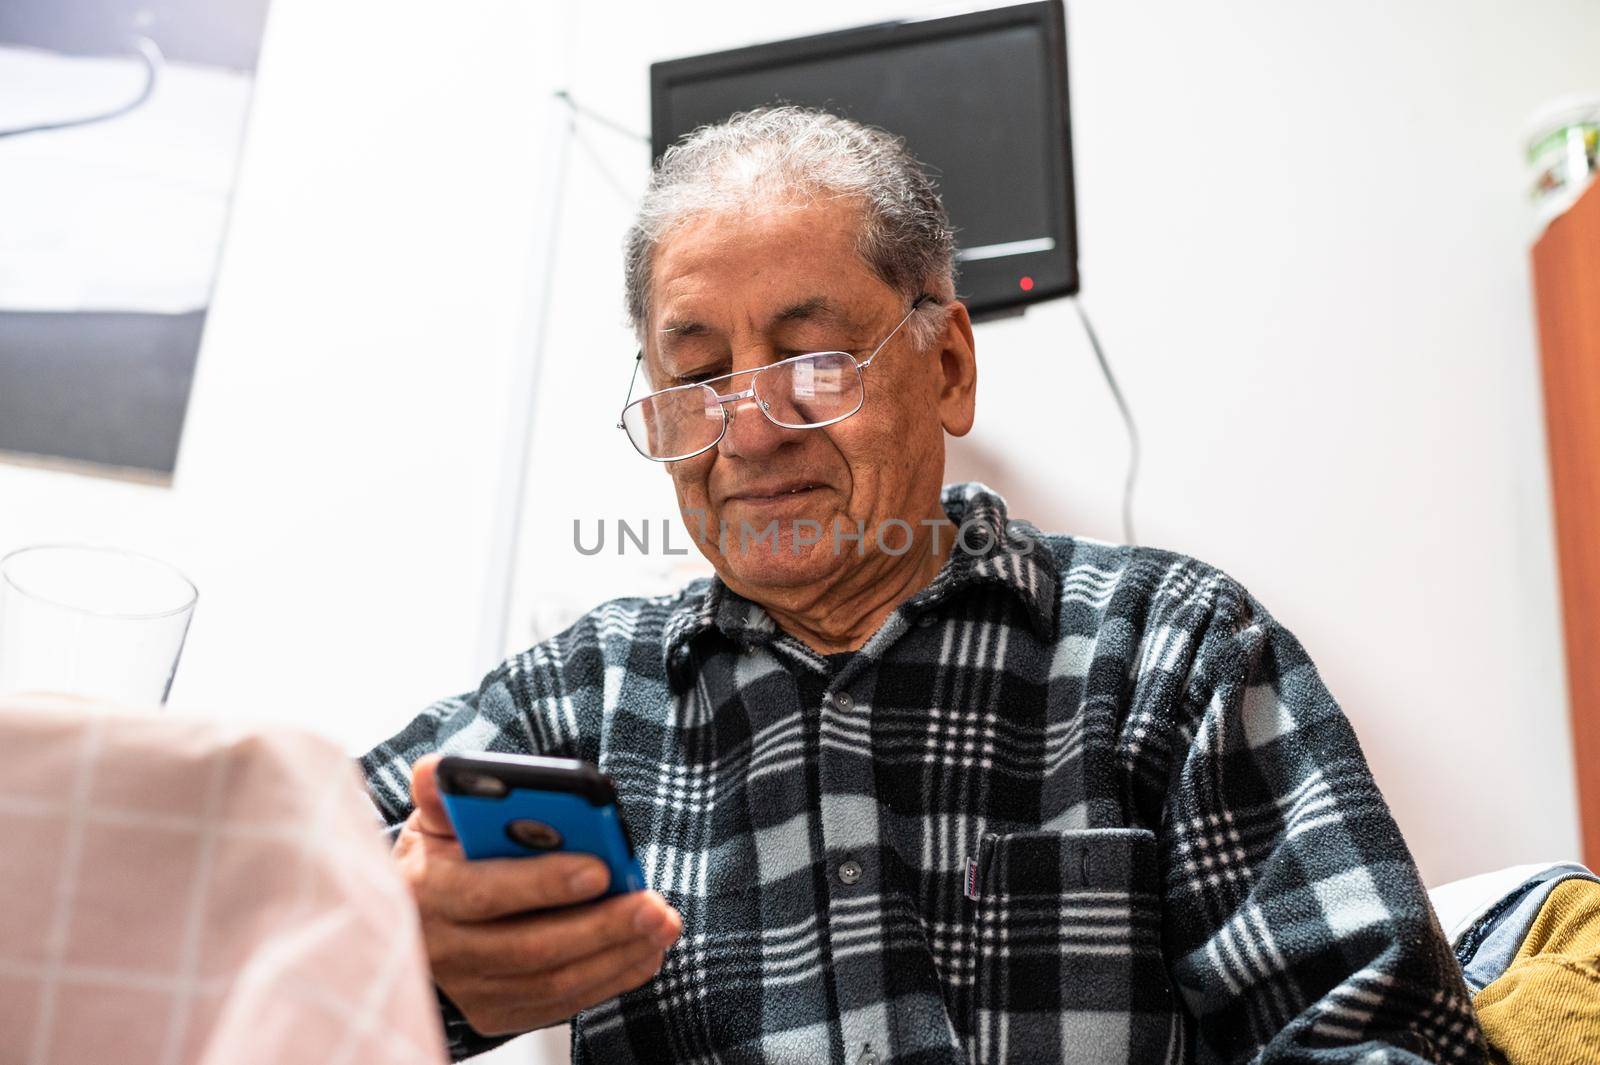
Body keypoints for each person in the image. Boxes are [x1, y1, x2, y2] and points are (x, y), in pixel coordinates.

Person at [361, 107, 1485, 1063]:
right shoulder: (581, 699)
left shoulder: (1169, 653)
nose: (746, 434)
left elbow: (1370, 1032)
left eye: (813, 364)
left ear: (947, 364)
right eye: (696, 379)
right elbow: (259, 905)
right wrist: (399, 942)